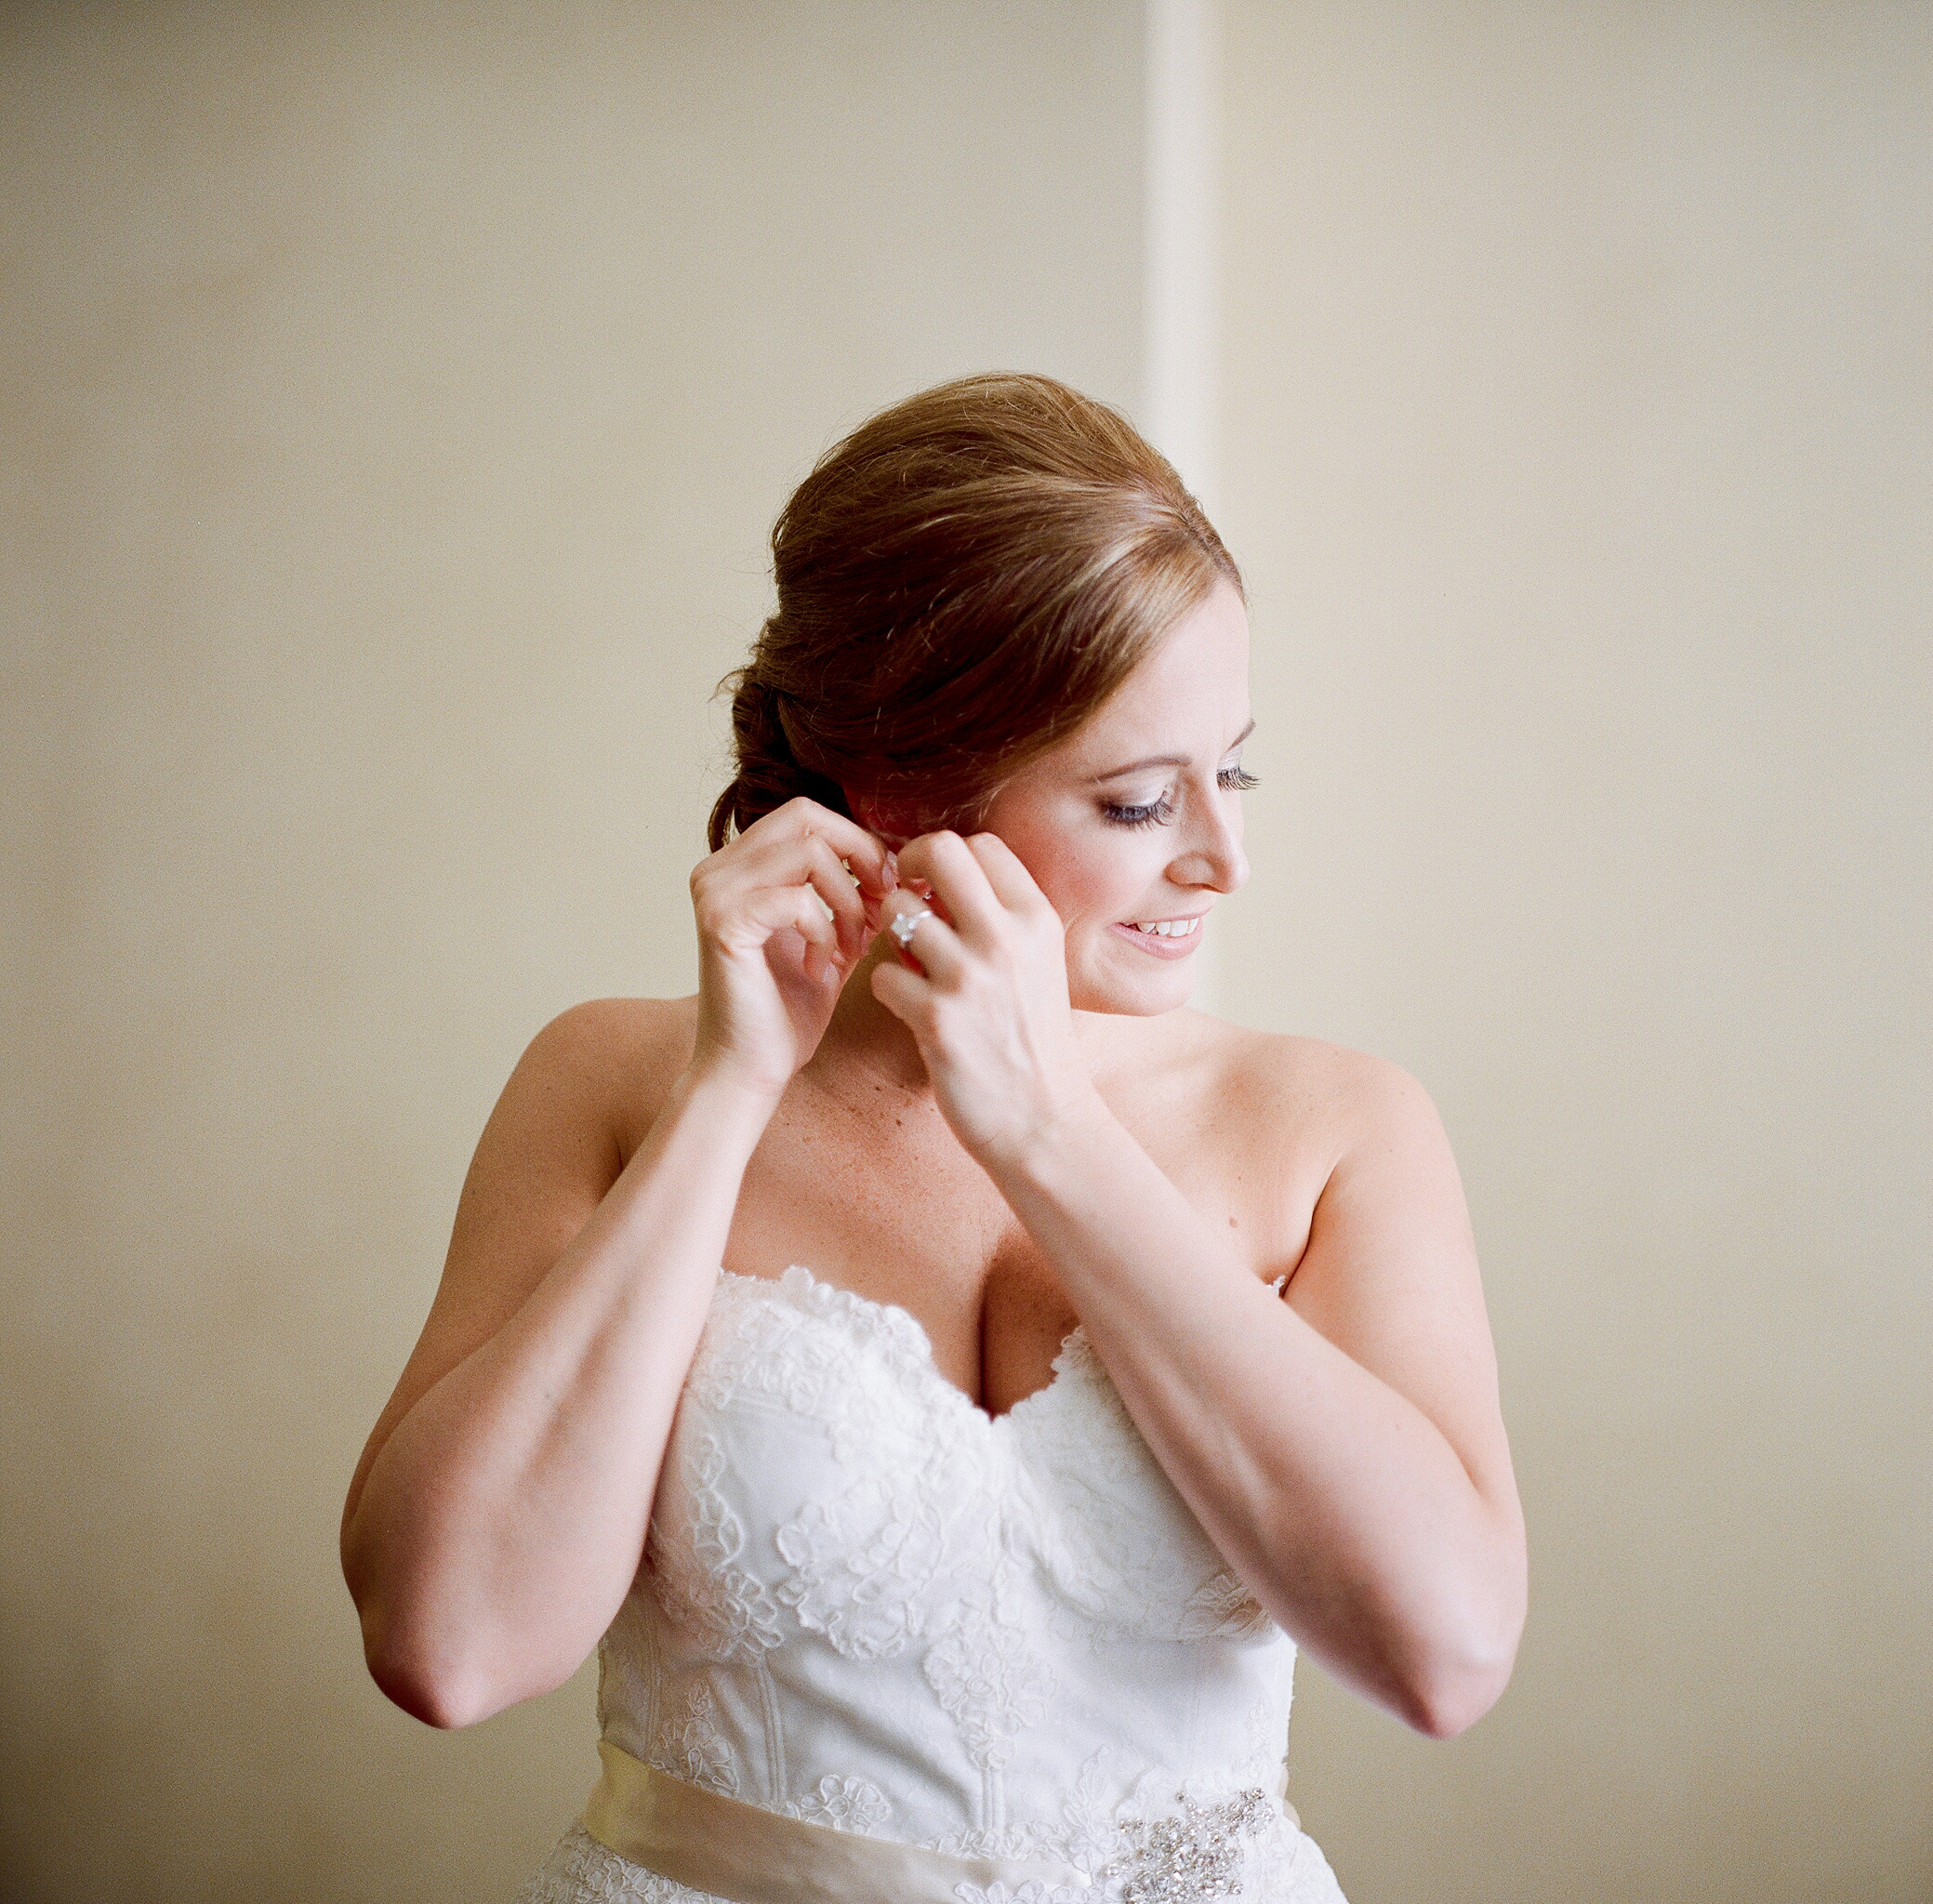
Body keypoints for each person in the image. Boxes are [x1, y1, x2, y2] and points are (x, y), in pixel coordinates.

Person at [340, 375, 1527, 1903]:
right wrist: (727, 1092)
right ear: (906, 790)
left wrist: (1049, 1133)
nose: (1223, 859)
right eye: (1138, 800)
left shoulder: (1334, 1127)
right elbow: (449, 1644)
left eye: (1233, 770)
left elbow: (1445, 1655)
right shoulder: (612, 1082)